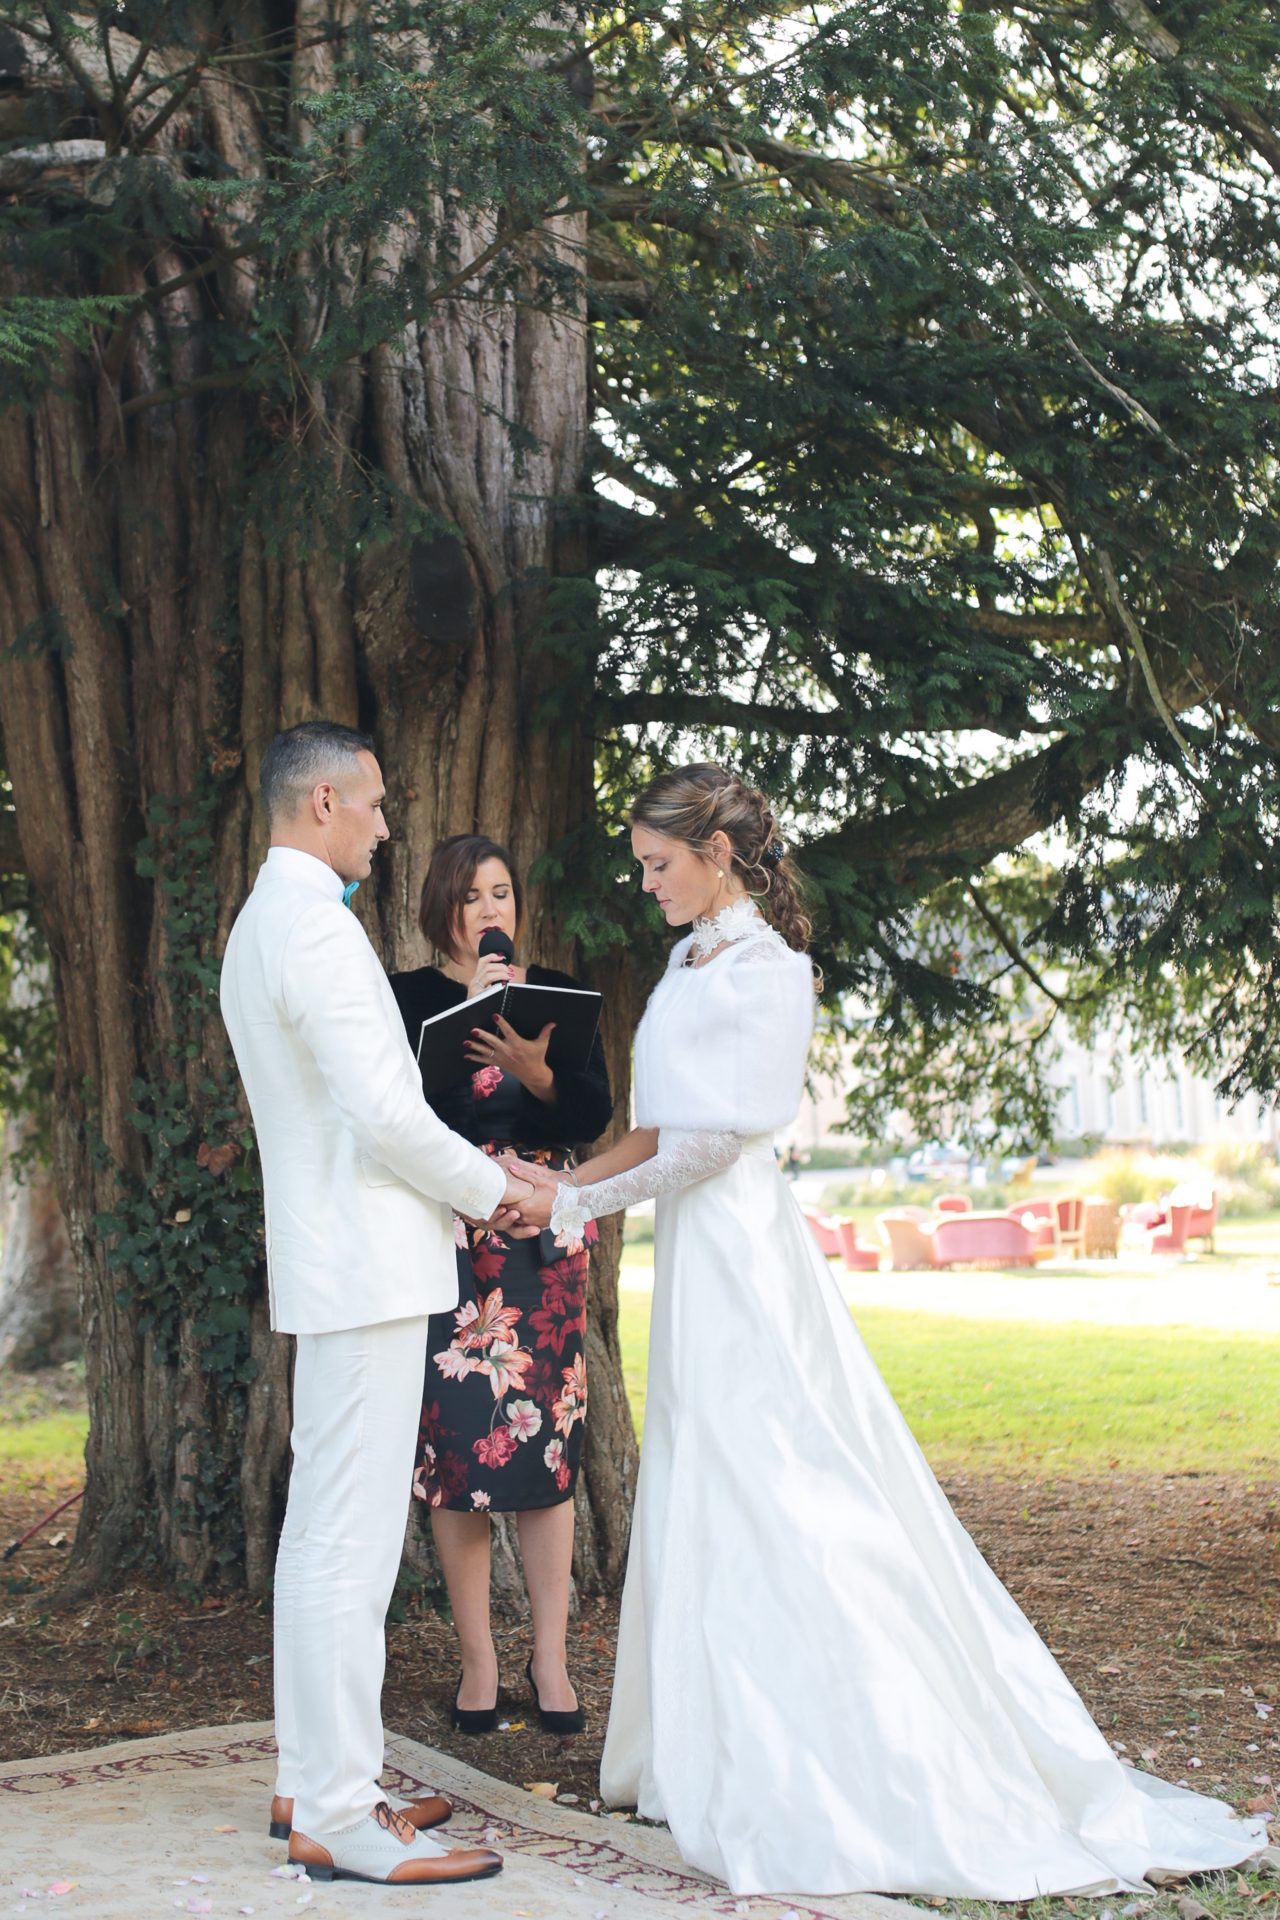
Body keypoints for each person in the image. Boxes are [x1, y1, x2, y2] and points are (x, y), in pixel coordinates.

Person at [509, 762, 1266, 1900]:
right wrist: (556, 1175)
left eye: (658, 862)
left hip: (747, 1261)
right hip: (697, 1263)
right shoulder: (684, 959)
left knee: (780, 1488)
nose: (644, 881)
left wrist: (575, 1207)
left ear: (716, 854)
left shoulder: (771, 971)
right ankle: (703, 1743)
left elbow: (720, 1143)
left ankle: (829, 1751)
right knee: (701, 1479)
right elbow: (660, 1124)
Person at [220, 722, 531, 1889]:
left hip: (338, 1262)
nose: (387, 826)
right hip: (362, 1264)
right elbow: (384, 1119)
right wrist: (495, 1188)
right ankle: (343, 1815)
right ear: (318, 806)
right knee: (346, 1547)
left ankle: (313, 1775)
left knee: (325, 1535)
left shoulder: (267, 924)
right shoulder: (313, 929)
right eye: (374, 805)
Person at [389, 835, 612, 1735]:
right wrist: (465, 1020)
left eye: (503, 893)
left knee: (546, 1457)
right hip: (450, 1242)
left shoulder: (549, 992)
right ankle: (478, 1659)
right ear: (440, 907)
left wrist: (539, 1072)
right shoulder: (408, 999)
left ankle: (549, 1658)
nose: (491, 911)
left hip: (544, 1245)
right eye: (472, 896)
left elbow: (594, 1113)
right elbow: (395, 1114)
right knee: (457, 1460)